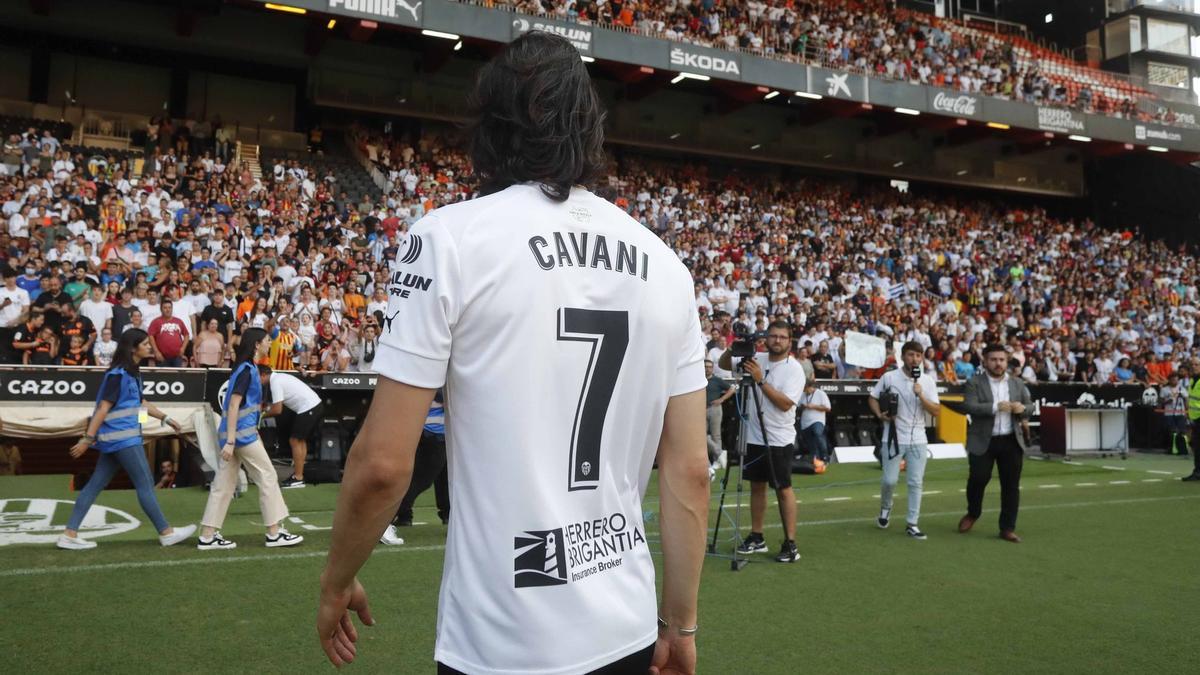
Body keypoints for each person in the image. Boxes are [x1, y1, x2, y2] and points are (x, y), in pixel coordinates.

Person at [317, 33, 709, 675]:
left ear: (488, 126)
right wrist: (681, 624)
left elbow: (385, 462)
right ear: (589, 127)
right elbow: (689, 468)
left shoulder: (448, 240)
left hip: (503, 639)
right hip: (625, 623)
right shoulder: (666, 266)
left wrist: (337, 579)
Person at [56, 329, 196, 550]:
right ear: (133, 348)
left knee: (95, 485)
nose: (149, 346)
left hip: (119, 440)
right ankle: (166, 532)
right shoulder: (118, 375)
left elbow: (140, 403)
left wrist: (166, 418)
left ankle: (69, 534)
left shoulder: (132, 374)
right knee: (145, 484)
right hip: (124, 440)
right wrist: (87, 438)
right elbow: (102, 408)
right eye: (145, 344)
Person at [196, 328, 303, 550]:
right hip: (241, 436)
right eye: (266, 341)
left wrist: (229, 440)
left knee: (223, 485)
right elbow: (234, 404)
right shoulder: (247, 370)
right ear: (256, 344)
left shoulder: (244, 369)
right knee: (267, 475)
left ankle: (207, 536)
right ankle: (274, 533)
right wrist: (233, 441)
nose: (269, 344)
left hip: (233, 435)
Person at [719, 320, 807, 563]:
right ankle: (757, 536)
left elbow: (785, 403)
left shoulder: (794, 369)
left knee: (782, 488)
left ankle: (790, 543)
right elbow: (723, 364)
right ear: (766, 338)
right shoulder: (757, 357)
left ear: (790, 342)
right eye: (773, 336)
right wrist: (735, 346)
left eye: (782, 337)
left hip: (779, 438)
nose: (776, 340)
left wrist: (760, 380)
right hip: (753, 435)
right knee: (756, 486)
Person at [958, 343, 1032, 542]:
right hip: (983, 440)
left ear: (1007, 361)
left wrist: (1021, 409)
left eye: (1001, 360)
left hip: (1011, 440)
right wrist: (994, 407)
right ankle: (973, 513)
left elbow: (1030, 406)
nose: (998, 364)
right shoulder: (974, 382)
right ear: (985, 361)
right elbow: (968, 406)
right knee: (978, 479)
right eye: (993, 359)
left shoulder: (1017, 383)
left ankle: (1007, 528)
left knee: (1011, 485)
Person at [868, 341, 940, 540]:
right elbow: (872, 398)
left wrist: (921, 395)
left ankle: (912, 523)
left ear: (922, 358)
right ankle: (885, 507)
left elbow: (936, 410)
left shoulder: (927, 381)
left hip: (918, 438)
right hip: (892, 437)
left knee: (915, 482)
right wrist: (880, 415)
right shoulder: (889, 377)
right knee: (889, 480)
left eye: (918, 355)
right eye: (910, 355)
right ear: (903, 356)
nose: (914, 359)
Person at [380, 393, 451, 547]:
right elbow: (444, 396)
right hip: (434, 431)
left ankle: (447, 517)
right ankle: (383, 521)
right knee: (420, 481)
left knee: (446, 478)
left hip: (436, 432)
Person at [259, 365, 324, 489]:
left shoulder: (275, 381)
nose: (257, 381)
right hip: (314, 405)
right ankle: (299, 475)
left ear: (263, 375)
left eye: (257, 377)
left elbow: (277, 410)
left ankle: (298, 478)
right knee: (300, 440)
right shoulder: (278, 378)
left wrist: (261, 416)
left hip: (309, 407)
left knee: (294, 440)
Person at [704, 358, 734, 476]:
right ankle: (720, 453)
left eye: (709, 367)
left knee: (716, 435)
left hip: (715, 408)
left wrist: (721, 399)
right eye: (705, 366)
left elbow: (732, 389)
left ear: (712, 368)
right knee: (702, 436)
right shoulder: (699, 380)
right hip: (701, 410)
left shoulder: (717, 380)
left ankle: (717, 461)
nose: (707, 369)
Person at [798, 381, 832, 463]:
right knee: (811, 442)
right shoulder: (803, 395)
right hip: (805, 423)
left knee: (818, 434)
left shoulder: (821, 394)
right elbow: (798, 407)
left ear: (811, 387)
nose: (804, 390)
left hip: (817, 420)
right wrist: (803, 406)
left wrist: (813, 406)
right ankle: (816, 460)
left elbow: (828, 408)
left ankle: (825, 457)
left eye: (805, 388)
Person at [1160, 372, 1190, 457]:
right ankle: (1172, 449)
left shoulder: (1182, 389)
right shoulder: (1164, 389)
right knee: (1172, 431)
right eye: (1173, 379)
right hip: (1169, 413)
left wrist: (1187, 411)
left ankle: (1183, 449)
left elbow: (1186, 400)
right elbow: (1160, 402)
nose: (1174, 381)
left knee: (1182, 431)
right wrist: (1167, 401)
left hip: (1180, 412)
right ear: (1169, 380)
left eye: (1176, 379)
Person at [1183, 358, 1200, 482]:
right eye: (1192, 365)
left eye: (1196, 364)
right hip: (1195, 418)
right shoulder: (1192, 380)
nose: (1194, 366)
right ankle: (1198, 471)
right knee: (1196, 446)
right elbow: (1191, 399)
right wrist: (1188, 413)